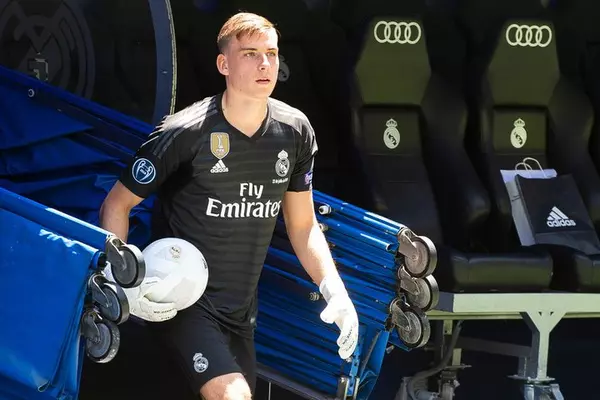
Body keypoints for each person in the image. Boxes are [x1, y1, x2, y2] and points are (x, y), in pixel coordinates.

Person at [99, 11, 359, 400]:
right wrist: (121, 283)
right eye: (250, 54)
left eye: (271, 53)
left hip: (240, 315)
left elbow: (302, 226)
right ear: (224, 64)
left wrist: (334, 288)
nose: (265, 64)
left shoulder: (295, 132)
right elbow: (116, 205)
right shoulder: (184, 132)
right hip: (182, 303)